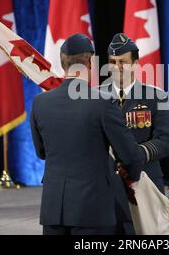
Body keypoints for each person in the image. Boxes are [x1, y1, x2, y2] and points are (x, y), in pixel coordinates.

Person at [30, 33, 145, 235]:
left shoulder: (40, 103)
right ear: (91, 62)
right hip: (93, 211)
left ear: (62, 63)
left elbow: (41, 152)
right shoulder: (102, 102)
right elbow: (130, 155)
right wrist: (131, 179)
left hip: (54, 209)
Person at [99, 33, 169, 234]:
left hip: (144, 180)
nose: (117, 67)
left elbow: (165, 141)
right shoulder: (94, 96)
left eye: (123, 62)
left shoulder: (156, 96)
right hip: (107, 184)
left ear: (135, 63)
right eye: (112, 62)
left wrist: (134, 155)